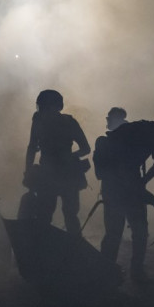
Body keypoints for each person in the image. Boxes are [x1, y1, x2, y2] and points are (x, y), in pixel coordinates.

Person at [93, 110, 154, 284]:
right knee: (114, 231)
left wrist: (142, 184)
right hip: (113, 182)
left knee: (140, 230)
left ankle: (136, 272)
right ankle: (104, 272)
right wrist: (140, 190)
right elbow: (120, 169)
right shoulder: (137, 133)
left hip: (130, 180)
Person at [24, 90, 91, 235]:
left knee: (60, 215)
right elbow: (85, 149)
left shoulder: (45, 122)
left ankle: (67, 248)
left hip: (58, 174)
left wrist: (28, 170)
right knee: (57, 215)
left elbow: (31, 148)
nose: (42, 109)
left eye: (44, 106)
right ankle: (69, 247)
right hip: (60, 174)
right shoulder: (62, 122)